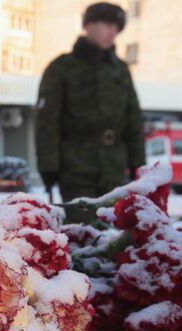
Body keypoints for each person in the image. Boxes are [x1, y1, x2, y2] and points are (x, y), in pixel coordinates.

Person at [35, 2, 146, 222]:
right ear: (87, 25)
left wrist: (138, 165)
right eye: (106, 23)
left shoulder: (121, 70)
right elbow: (47, 121)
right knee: (82, 234)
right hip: (75, 168)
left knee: (114, 236)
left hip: (114, 168)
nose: (112, 31)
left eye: (117, 26)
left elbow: (133, 120)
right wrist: (48, 167)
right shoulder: (62, 67)